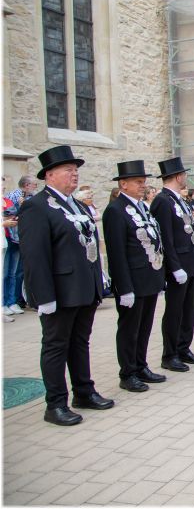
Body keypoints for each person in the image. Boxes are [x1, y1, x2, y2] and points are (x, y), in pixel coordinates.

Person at [18, 146, 112, 425]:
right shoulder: (36, 207)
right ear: (49, 174)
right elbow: (34, 256)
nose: (74, 174)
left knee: (80, 342)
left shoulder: (78, 205)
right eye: (68, 169)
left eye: (76, 170)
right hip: (59, 291)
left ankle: (84, 391)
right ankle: (56, 403)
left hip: (84, 287)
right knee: (56, 346)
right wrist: (43, 297)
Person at [103, 160, 167, 393]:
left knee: (144, 326)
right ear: (123, 184)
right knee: (129, 329)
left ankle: (141, 365)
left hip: (149, 277)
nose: (143, 185)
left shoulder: (142, 207)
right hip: (132, 280)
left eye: (144, 181)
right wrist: (124, 287)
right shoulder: (115, 210)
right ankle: (128, 372)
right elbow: (117, 252)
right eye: (138, 182)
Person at [150, 157, 194, 373]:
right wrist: (174, 266)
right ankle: (170, 353)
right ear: (176, 176)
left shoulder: (179, 199)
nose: (185, 177)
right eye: (183, 174)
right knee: (175, 311)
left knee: (189, 309)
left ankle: (184, 347)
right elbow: (165, 237)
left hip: (189, 261)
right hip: (178, 265)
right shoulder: (162, 201)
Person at [4, 174, 37, 314]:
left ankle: (15, 300)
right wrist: (20, 206)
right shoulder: (12, 196)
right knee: (8, 272)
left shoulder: (32, 197)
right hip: (12, 237)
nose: (35, 187)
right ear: (26, 185)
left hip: (24, 237)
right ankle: (7, 302)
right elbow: (10, 215)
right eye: (34, 184)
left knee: (18, 272)